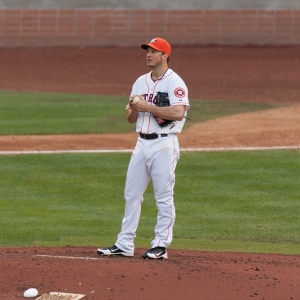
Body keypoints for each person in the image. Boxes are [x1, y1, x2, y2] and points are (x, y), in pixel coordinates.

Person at [97, 37, 190, 259]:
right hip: (141, 143)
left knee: (163, 196)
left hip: (164, 144)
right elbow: (131, 118)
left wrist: (146, 106)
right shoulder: (140, 82)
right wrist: (136, 109)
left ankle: (160, 245)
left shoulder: (175, 82)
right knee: (131, 194)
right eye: (147, 51)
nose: (148, 55)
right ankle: (125, 243)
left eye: (154, 51)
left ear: (165, 55)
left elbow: (178, 113)